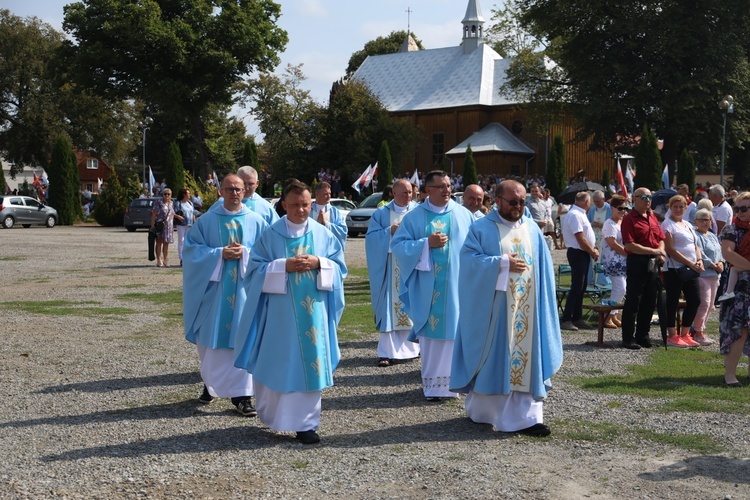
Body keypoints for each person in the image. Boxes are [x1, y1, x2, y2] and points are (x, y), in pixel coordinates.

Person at [234, 181, 347, 444]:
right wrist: (283, 266)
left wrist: (320, 262)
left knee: (311, 366)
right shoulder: (271, 235)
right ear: (284, 205)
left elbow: (340, 269)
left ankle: (306, 424)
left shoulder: (323, 234)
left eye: (306, 204)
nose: (301, 209)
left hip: (313, 317)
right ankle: (275, 417)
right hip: (280, 317)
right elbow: (253, 272)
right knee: (280, 363)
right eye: (295, 205)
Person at [451, 180, 562, 437]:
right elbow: (467, 264)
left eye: (522, 202)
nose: (519, 206)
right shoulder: (481, 229)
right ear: (497, 200)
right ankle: (486, 412)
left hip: (527, 310)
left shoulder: (532, 230)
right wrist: (501, 264)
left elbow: (544, 273)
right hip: (496, 315)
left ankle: (527, 418)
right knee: (495, 359)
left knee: (526, 360)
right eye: (513, 202)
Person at [182, 174, 269, 414]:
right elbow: (190, 252)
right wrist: (219, 253)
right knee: (211, 343)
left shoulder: (257, 221)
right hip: (214, 296)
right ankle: (211, 384)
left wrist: (246, 254)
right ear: (221, 191)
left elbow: (268, 254)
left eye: (238, 189)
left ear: (245, 192)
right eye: (229, 189)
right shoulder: (206, 221)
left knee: (243, 341)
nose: (234, 193)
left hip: (245, 293)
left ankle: (242, 397)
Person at [391, 170, 474, 401]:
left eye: (449, 186)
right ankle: (434, 388)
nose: (447, 190)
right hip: (428, 289)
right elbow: (399, 246)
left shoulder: (464, 215)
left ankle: (456, 384)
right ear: (428, 190)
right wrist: (426, 243)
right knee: (433, 339)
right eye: (441, 187)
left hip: (458, 288)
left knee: (456, 336)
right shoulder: (415, 217)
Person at [365, 180, 420, 367]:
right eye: (404, 192)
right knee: (390, 309)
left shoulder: (418, 212)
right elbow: (371, 239)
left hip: (412, 267)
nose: (408, 196)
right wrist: (390, 231)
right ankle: (387, 352)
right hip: (390, 269)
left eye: (410, 192)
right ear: (394, 193)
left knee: (412, 306)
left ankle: (414, 348)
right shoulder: (382, 213)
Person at [619, 188, 667, 349]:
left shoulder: (652, 216)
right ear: (634, 199)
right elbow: (629, 245)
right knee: (634, 300)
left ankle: (643, 335)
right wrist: (654, 251)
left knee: (649, 300)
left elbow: (661, 238)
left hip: (653, 263)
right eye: (643, 197)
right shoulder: (629, 219)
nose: (647, 200)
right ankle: (628, 337)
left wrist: (660, 251)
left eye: (649, 197)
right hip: (637, 261)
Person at [661, 195, 703, 348]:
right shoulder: (667, 224)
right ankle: (672, 334)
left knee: (695, 300)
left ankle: (685, 333)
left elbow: (695, 245)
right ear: (670, 207)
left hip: (690, 268)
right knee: (672, 301)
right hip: (674, 269)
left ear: (686, 208)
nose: (678, 209)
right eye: (675, 207)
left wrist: (698, 260)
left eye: (681, 207)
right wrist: (690, 263)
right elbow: (670, 249)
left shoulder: (688, 224)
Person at [719, 192, 750, 387]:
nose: (739, 212)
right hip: (740, 288)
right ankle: (730, 375)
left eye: (744, 209)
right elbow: (727, 253)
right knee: (740, 330)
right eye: (737, 208)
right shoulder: (732, 229)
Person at [559, 191, 598, 331]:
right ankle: (567, 318)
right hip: (578, 252)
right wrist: (592, 250)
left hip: (583, 252)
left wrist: (592, 249)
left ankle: (577, 317)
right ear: (587, 202)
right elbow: (580, 238)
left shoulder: (580, 213)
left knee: (581, 286)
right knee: (577, 286)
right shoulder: (575, 214)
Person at [693, 208, 723, 345]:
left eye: (708, 219)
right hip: (703, 274)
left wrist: (722, 262)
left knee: (711, 305)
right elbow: (700, 253)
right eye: (702, 219)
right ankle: (697, 332)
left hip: (715, 276)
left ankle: (701, 330)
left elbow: (719, 251)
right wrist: (712, 264)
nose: (706, 222)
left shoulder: (712, 235)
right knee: (704, 304)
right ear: (696, 221)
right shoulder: (695, 235)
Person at [601, 195, 629, 328]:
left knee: (621, 289)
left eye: (625, 208)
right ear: (612, 208)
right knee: (620, 288)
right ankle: (608, 316)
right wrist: (628, 253)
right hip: (613, 260)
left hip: (623, 260)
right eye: (620, 208)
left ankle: (614, 315)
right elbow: (612, 243)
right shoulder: (609, 223)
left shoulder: (622, 222)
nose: (623, 211)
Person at [310, 181, 348, 250]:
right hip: (313, 248)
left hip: (330, 249)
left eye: (329, 194)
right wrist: (317, 224)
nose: (329, 196)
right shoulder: (309, 211)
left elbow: (343, 231)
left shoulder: (335, 212)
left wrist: (326, 223)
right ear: (317, 194)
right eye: (325, 194)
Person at [150, 188, 175, 267]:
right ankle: (159, 259)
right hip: (160, 225)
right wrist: (152, 225)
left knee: (166, 243)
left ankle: (165, 259)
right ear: (162, 195)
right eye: (165, 194)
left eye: (168, 194)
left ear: (171, 196)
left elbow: (172, 213)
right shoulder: (159, 202)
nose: (167, 195)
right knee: (159, 242)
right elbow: (154, 214)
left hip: (169, 225)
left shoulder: (171, 203)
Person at [173, 188, 196, 266]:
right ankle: (182, 259)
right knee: (181, 241)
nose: (189, 195)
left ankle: (188, 257)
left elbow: (193, 213)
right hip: (181, 224)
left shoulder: (190, 203)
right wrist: (178, 217)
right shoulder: (178, 203)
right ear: (184, 195)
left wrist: (195, 222)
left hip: (189, 224)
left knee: (188, 241)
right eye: (188, 193)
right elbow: (173, 212)